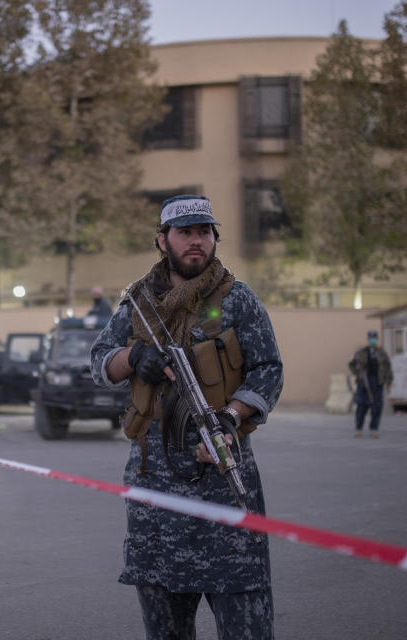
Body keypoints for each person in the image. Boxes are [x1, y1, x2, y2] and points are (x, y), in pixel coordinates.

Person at [91, 194, 283, 640]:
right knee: (166, 630)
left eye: (204, 232)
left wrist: (231, 417)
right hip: (155, 492)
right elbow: (100, 362)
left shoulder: (237, 300)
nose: (196, 241)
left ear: (214, 238)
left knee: (247, 625)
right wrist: (133, 355)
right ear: (163, 240)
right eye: (185, 232)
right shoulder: (138, 304)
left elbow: (268, 370)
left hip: (224, 481)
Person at [349, 329, 393, 438]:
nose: (373, 340)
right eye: (371, 338)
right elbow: (352, 365)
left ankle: (374, 429)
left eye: (374, 338)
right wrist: (358, 372)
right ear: (368, 339)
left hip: (378, 382)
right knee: (362, 407)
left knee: (377, 407)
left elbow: (387, 368)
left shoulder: (382, 353)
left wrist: (388, 382)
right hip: (364, 383)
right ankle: (358, 429)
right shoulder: (361, 353)